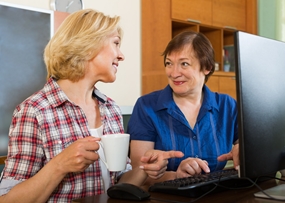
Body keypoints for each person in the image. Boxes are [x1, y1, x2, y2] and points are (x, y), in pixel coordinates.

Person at [0, 9, 183, 202]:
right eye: (116, 43)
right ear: (88, 45)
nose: (121, 56)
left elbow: (119, 183)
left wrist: (145, 169)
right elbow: (7, 199)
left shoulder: (110, 108)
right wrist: (59, 165)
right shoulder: (34, 110)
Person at [128, 31, 239, 184]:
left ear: (206, 67)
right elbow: (138, 173)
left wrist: (242, 149)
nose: (174, 73)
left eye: (184, 64)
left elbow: (249, 144)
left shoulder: (227, 105)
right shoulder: (146, 106)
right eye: (169, 63)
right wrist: (175, 176)